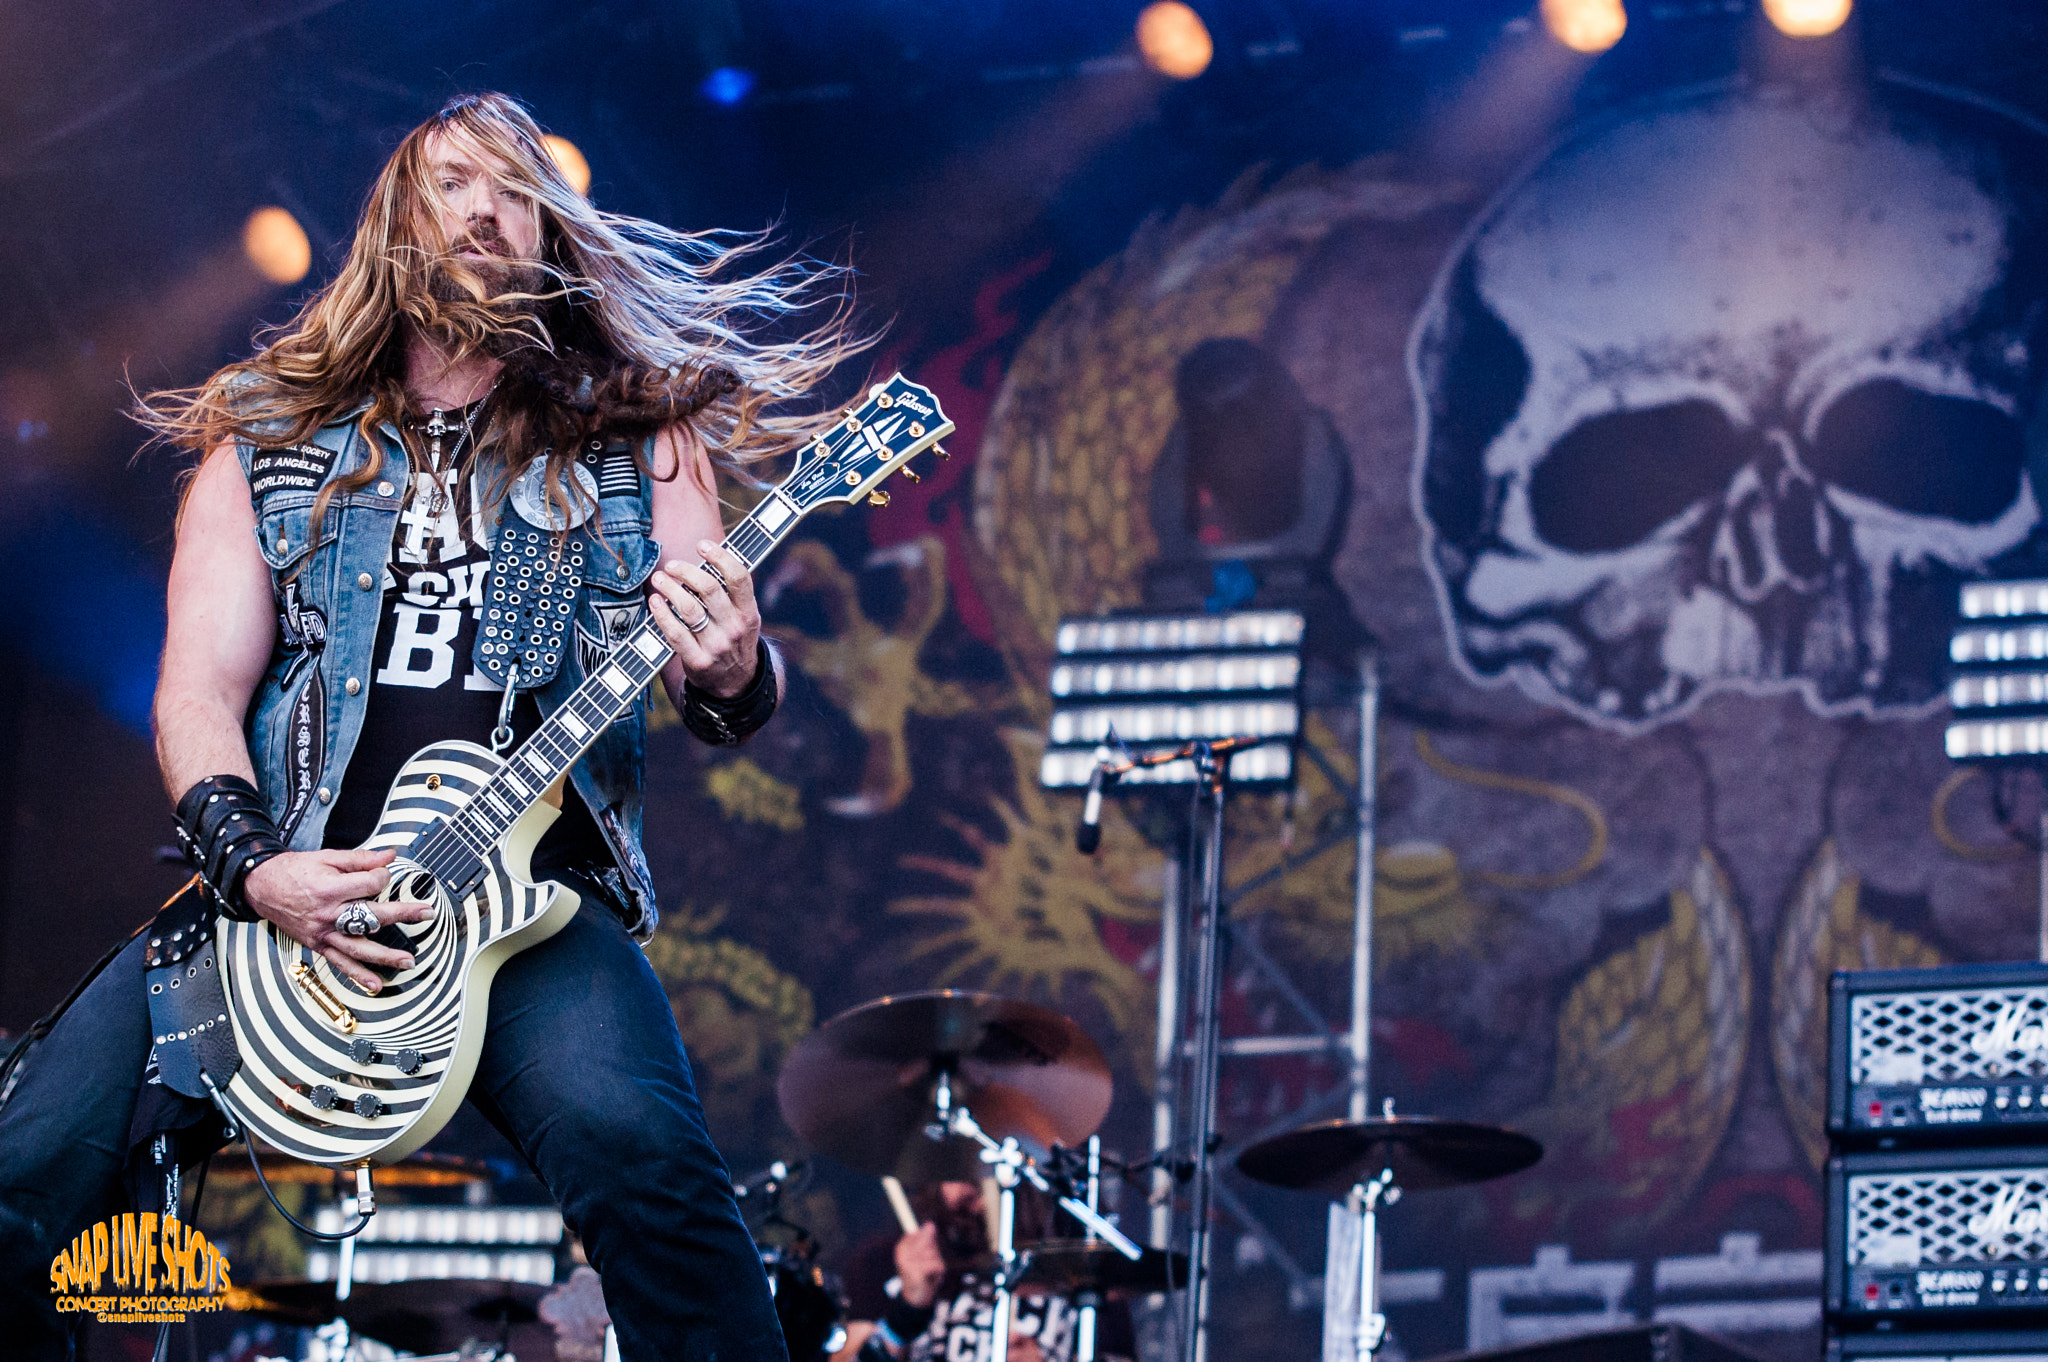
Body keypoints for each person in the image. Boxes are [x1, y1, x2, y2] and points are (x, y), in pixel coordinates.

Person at [0, 91, 858, 1360]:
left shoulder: (637, 432)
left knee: (656, 1184)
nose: (484, 208)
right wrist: (256, 872)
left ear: (550, 228)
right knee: (20, 1182)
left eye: (514, 187)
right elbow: (193, 694)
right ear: (396, 222)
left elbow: (711, 687)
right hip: (280, 897)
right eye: (451, 182)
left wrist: (737, 666)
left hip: (521, 904)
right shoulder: (272, 438)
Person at [835, 1181, 1136, 1362]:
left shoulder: (1076, 1258)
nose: (969, 1190)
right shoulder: (887, 1259)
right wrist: (907, 1312)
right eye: (957, 1164)